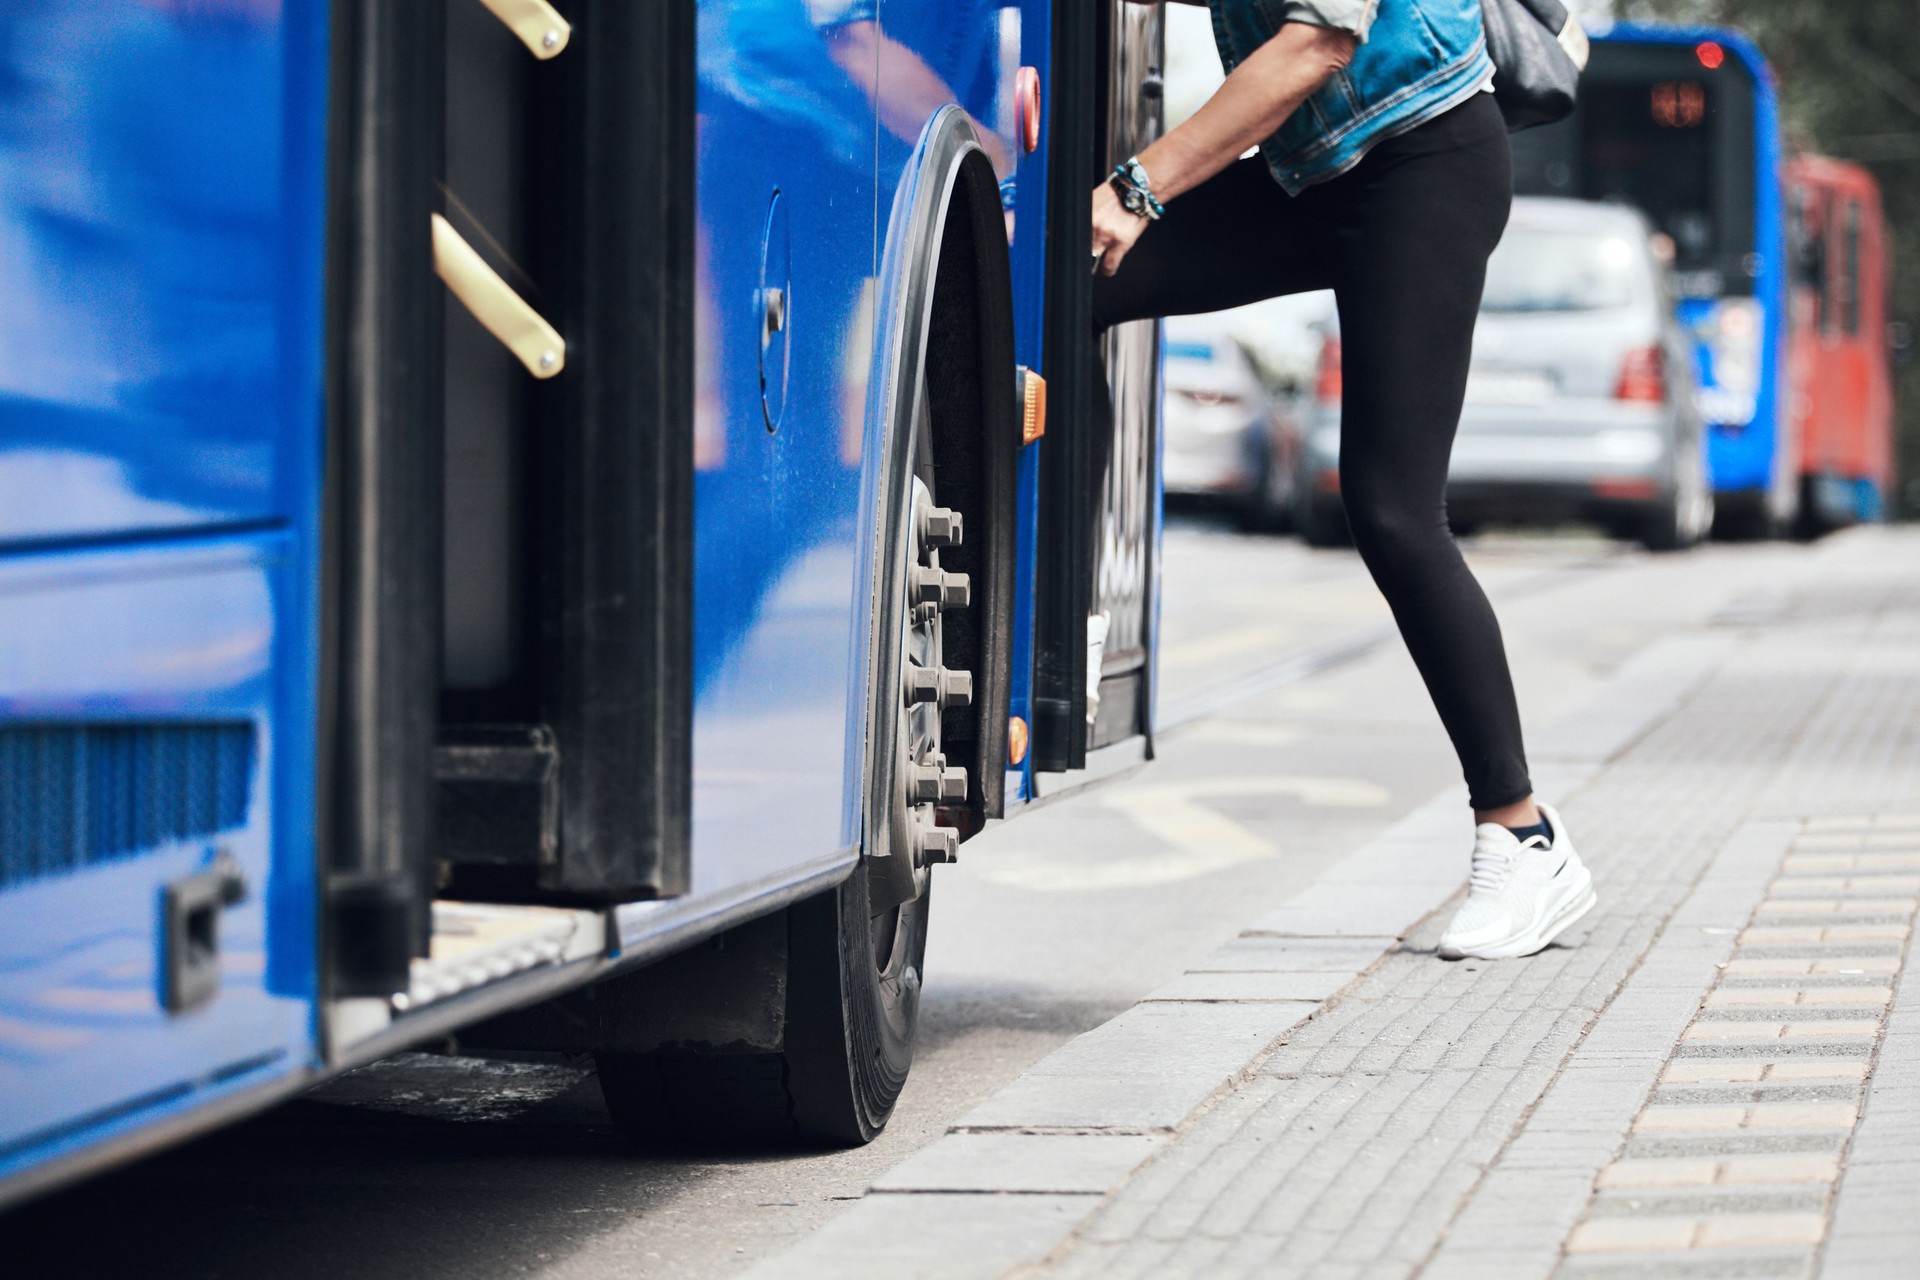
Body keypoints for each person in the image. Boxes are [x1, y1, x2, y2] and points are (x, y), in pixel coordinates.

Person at [1094, 0, 1595, 960]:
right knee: (1085, 276)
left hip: (1425, 163)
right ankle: (1062, 588)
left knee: (1395, 512)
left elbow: (1318, 41)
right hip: (1313, 171)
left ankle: (1522, 832)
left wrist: (1140, 183)